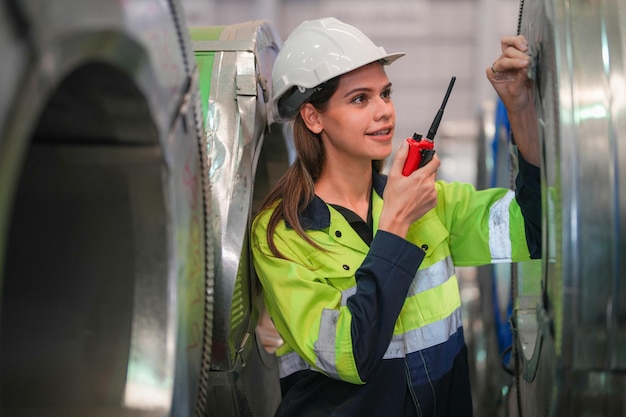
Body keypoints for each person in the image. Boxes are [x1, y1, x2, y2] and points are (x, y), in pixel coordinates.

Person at [251, 16, 540, 417]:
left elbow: (535, 228)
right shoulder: (283, 233)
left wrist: (522, 110)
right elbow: (351, 355)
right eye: (360, 99)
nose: (384, 111)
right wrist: (396, 224)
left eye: (385, 94)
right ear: (313, 117)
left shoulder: (430, 202)